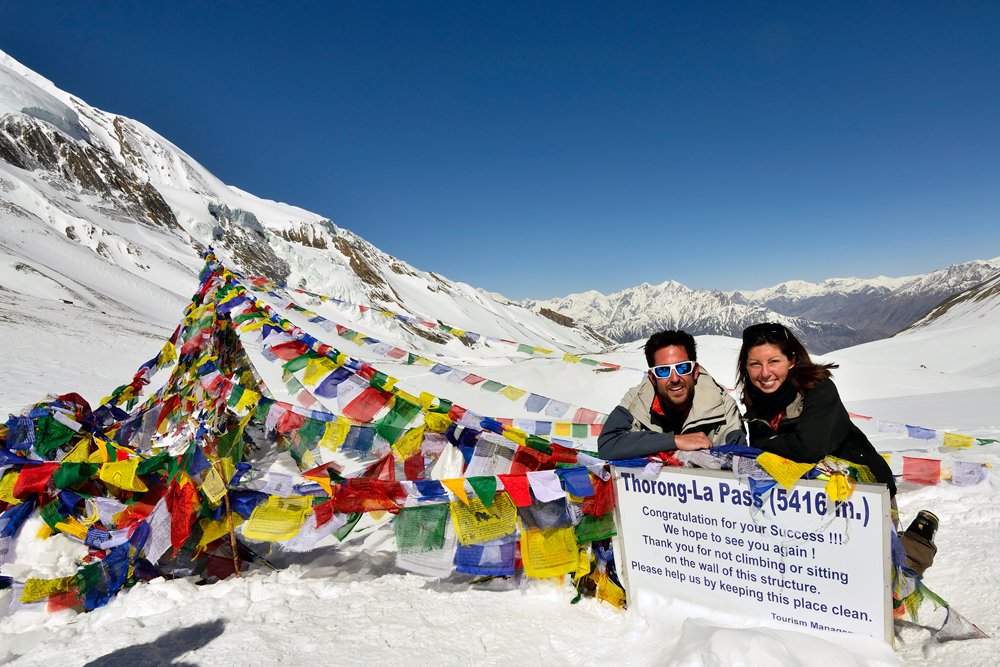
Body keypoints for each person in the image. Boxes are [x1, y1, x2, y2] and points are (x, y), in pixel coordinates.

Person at [736, 322, 936, 576]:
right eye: (755, 364)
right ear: (745, 366)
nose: (765, 373)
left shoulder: (817, 389)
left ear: (792, 360)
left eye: (773, 361)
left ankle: (920, 540)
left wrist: (762, 446)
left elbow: (807, 447)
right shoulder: (756, 401)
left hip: (863, 489)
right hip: (813, 496)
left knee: (885, 572)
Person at [598, 330, 744, 460]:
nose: (675, 378)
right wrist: (674, 441)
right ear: (652, 378)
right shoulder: (637, 399)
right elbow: (609, 445)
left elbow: (741, 461)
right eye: (663, 371)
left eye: (683, 368)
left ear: (695, 372)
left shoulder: (723, 404)